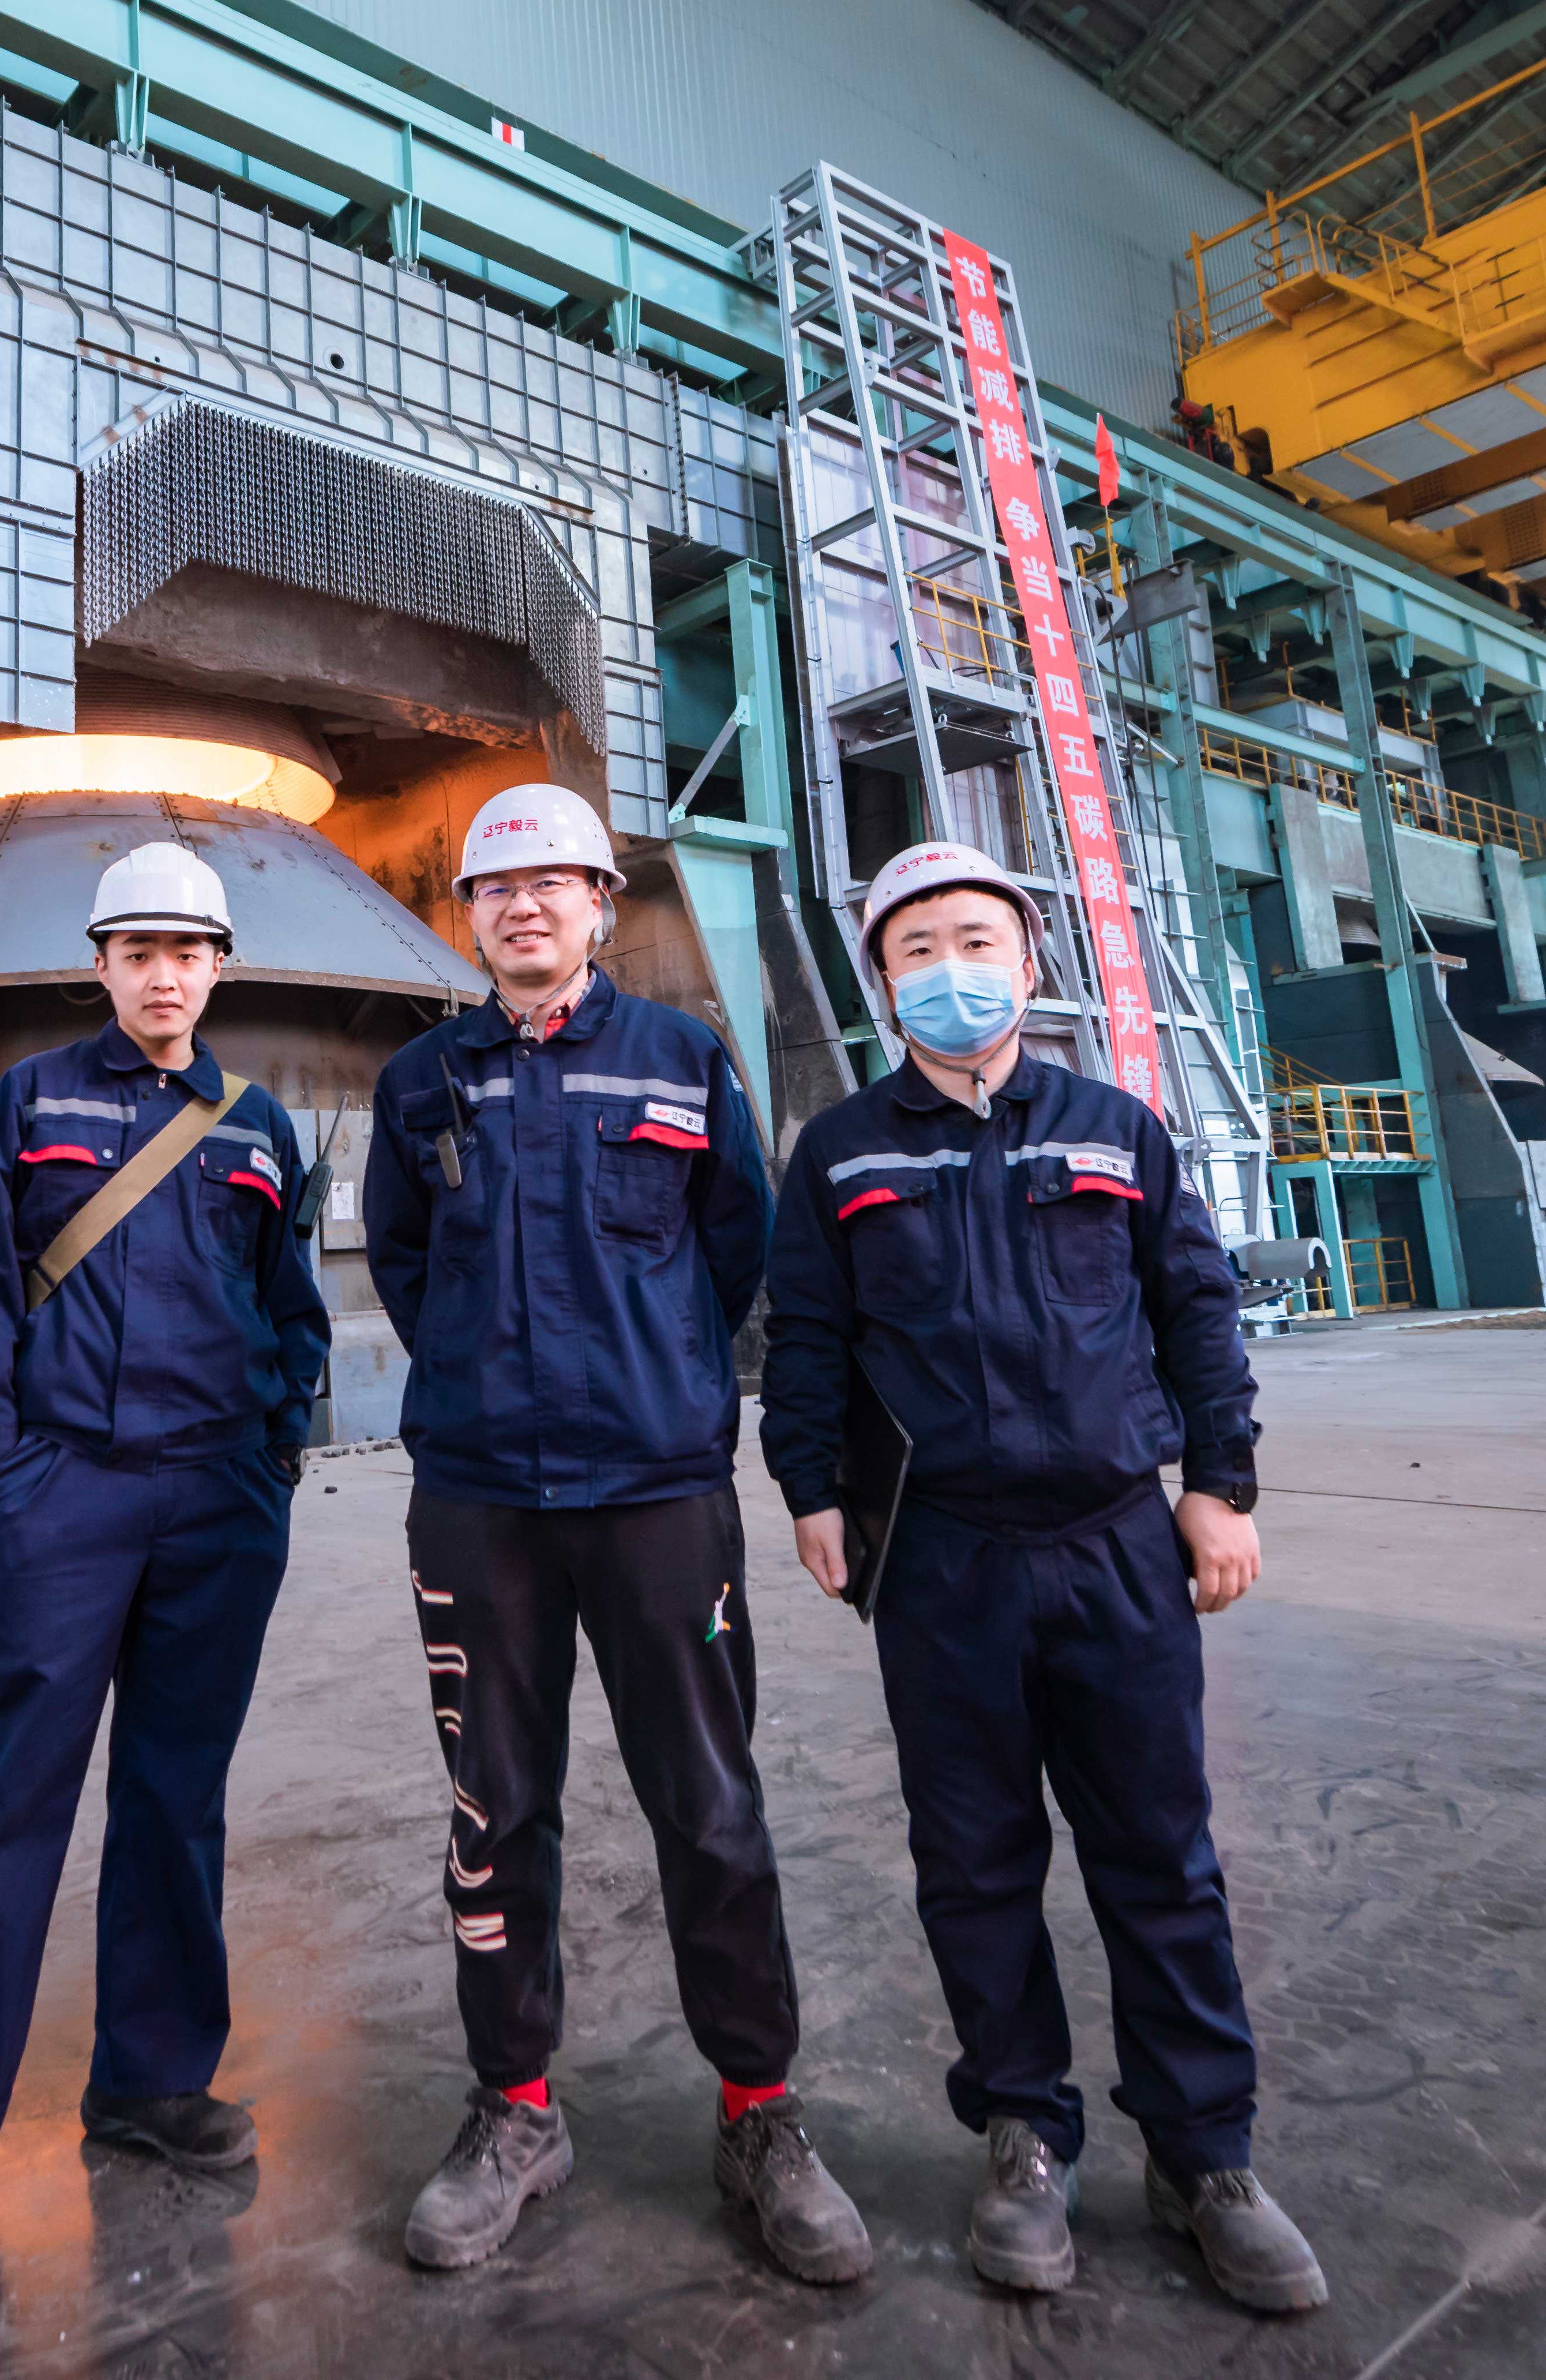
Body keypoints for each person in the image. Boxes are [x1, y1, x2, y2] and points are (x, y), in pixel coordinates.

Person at [757, 840, 1326, 2314]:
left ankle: (1203, 2154)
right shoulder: (840, 1151)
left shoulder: (1116, 1128)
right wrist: (810, 1487)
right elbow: (804, 1335)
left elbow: (1195, 1310)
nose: (950, 968)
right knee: (973, 1859)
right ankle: (1025, 2130)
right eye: (916, 949)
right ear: (880, 983)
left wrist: (1219, 1484)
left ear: (1028, 961)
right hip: (939, 1554)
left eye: (976, 939)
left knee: (1160, 1852)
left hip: (1112, 1538)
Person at [359, 783, 869, 2284]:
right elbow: (403, 1260)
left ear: (599, 903)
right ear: (470, 915)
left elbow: (734, 1251)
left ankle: (760, 2109)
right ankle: (514, 2107)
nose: (525, 905)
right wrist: (485, 1377)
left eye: (554, 883)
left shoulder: (681, 1058)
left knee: (708, 1803)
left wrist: (654, 1379)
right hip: (481, 1500)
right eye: (495, 887)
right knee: (494, 1806)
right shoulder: (422, 1083)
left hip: (656, 1495)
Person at [0, 841, 333, 2288]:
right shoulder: (32, 1098)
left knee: (175, 1798)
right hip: (68, 1494)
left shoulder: (256, 1124)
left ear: (218, 967)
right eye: (138, 950)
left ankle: (151, 2080)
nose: (165, 974)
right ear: (100, 963)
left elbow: (289, 1300)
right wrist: (3, 1462)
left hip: (218, 1499)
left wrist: (274, 1448)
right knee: (3, 1802)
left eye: (188, 951)